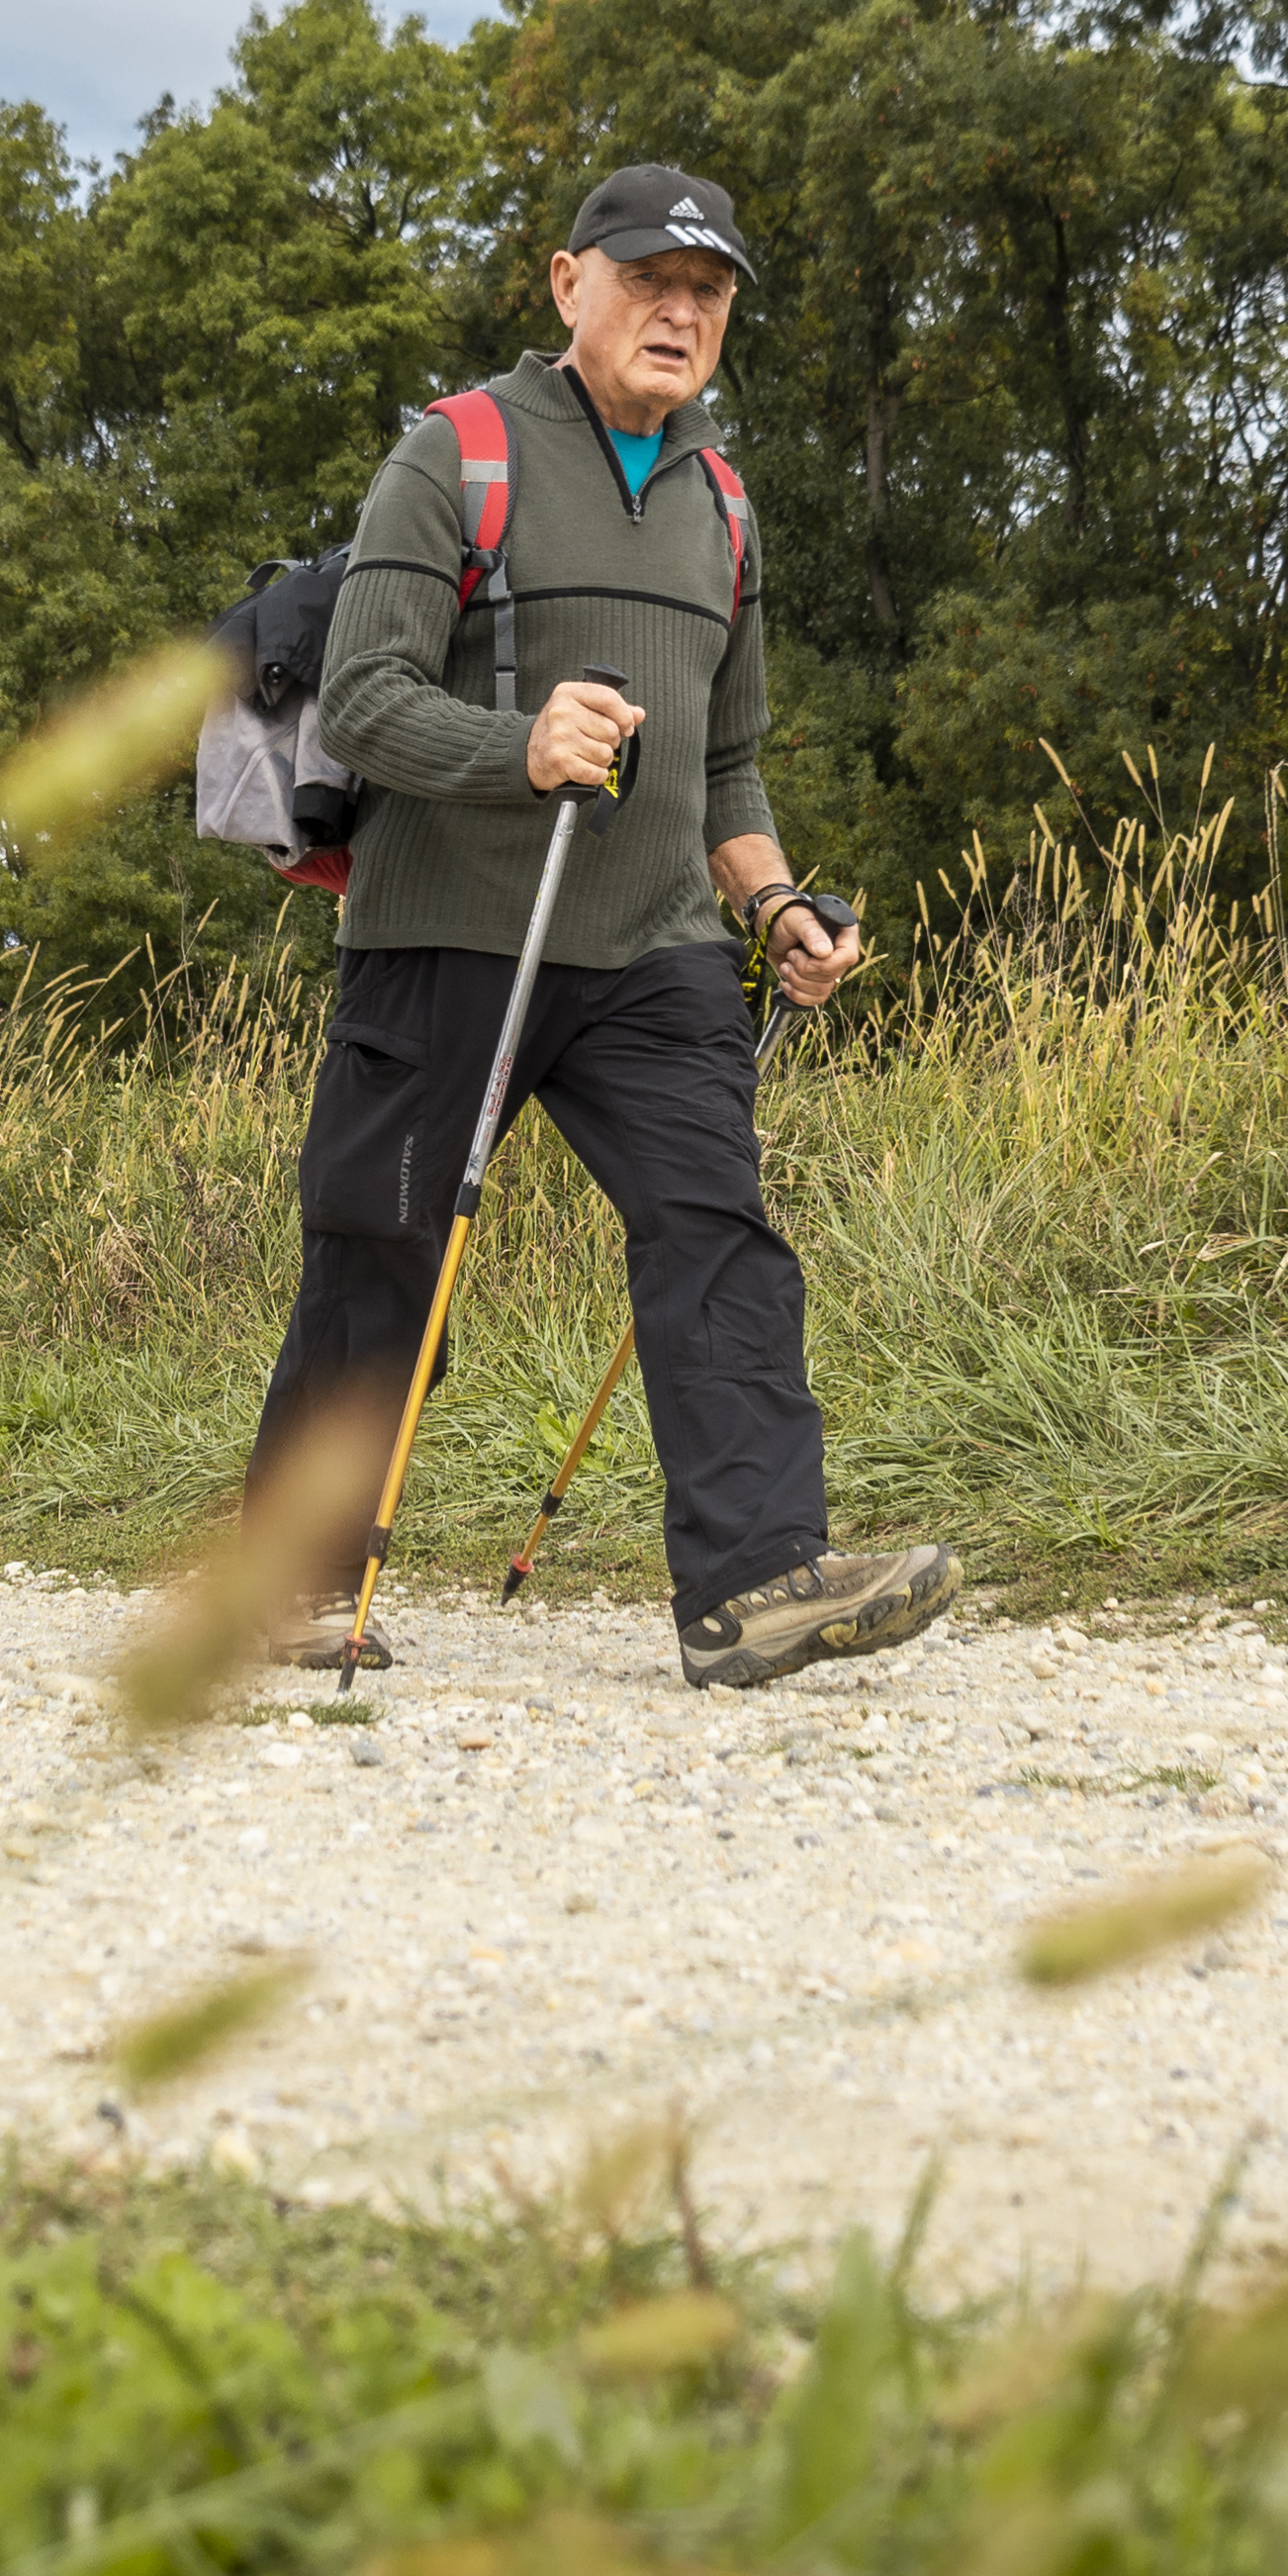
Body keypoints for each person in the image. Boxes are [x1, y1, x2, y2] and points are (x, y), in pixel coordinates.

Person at [248, 162, 955, 1693]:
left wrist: (772, 903)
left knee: (718, 1234)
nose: (680, 312)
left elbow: (727, 762)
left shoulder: (725, 505)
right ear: (570, 283)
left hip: (653, 946)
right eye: (649, 281)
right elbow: (362, 698)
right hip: (448, 935)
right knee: (380, 1251)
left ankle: (755, 1584)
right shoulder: (458, 453)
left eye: (708, 293)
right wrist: (522, 746)